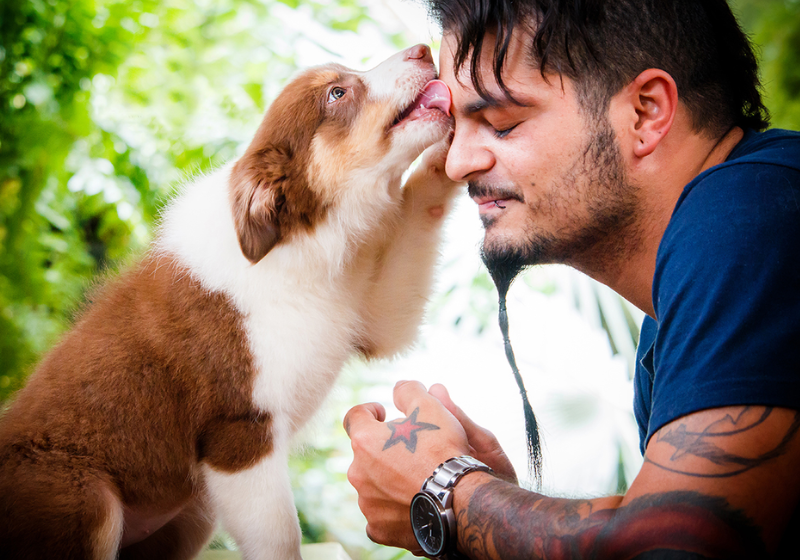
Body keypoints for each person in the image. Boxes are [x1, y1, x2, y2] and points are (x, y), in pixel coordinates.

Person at [343, 0, 800, 557]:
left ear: (646, 112)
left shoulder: (753, 216)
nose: (458, 163)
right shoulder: (684, 293)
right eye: (457, 125)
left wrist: (448, 492)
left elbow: (683, 544)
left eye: (503, 124)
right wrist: (493, 506)